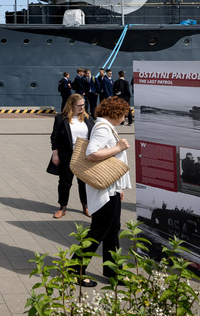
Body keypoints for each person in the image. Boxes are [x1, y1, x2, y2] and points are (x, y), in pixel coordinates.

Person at [72, 96, 131, 287]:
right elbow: (91, 153)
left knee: (113, 230)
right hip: (104, 188)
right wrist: (118, 147)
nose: (124, 118)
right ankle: (75, 269)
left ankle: (112, 270)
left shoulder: (105, 126)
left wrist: (119, 187)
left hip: (111, 187)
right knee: (98, 230)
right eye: (123, 114)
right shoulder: (103, 128)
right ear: (116, 113)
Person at [50, 93, 93, 218]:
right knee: (65, 182)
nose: (82, 107)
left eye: (84, 104)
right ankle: (62, 207)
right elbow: (55, 137)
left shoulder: (88, 118)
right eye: (79, 105)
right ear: (71, 105)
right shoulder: (61, 119)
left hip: (84, 156)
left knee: (84, 182)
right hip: (67, 155)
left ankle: (86, 206)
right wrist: (55, 154)